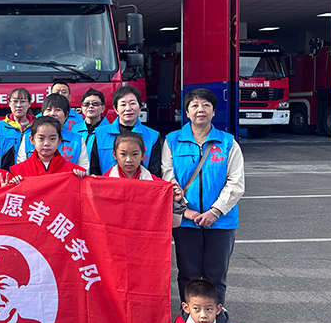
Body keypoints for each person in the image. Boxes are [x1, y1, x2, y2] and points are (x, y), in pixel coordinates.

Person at [162, 88, 245, 306]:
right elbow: (168, 178)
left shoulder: (228, 143)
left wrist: (215, 211)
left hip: (221, 222)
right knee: (187, 275)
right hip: (185, 222)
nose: (201, 110)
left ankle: (214, 320)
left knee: (215, 276)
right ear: (187, 112)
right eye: (195, 106)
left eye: (206, 105)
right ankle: (188, 318)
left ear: (214, 111)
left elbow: (236, 182)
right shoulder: (172, 141)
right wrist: (186, 211)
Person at [104, 133, 187, 220]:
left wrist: (175, 201)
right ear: (114, 155)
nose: (129, 160)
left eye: (134, 154)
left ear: (143, 155)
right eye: (123, 154)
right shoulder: (103, 183)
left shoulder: (158, 185)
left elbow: (173, 223)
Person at [89, 85, 163, 177]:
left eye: (132, 103)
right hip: (107, 185)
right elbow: (94, 170)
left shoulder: (153, 136)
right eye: (123, 104)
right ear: (116, 109)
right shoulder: (100, 134)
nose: (128, 108)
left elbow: (155, 173)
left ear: (140, 107)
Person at [17, 94, 88, 169]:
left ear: (66, 115)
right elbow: (21, 168)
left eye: (58, 110)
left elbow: (84, 170)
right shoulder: (28, 138)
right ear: (42, 113)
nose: (52, 114)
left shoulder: (78, 140)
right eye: (49, 109)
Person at [9, 116, 87, 179]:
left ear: (59, 140)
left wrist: (81, 177)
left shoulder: (73, 171)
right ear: (32, 140)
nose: (46, 143)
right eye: (41, 138)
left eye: (52, 139)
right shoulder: (18, 172)